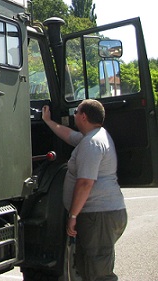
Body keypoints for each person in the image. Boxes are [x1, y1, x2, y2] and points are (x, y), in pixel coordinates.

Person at [41, 100, 127, 281]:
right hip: (101, 215)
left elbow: (85, 183)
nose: (73, 115)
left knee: (98, 273)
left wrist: (73, 216)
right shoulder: (92, 137)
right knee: (88, 268)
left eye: (76, 112)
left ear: (84, 116)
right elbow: (69, 135)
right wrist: (48, 121)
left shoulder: (92, 143)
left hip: (99, 215)